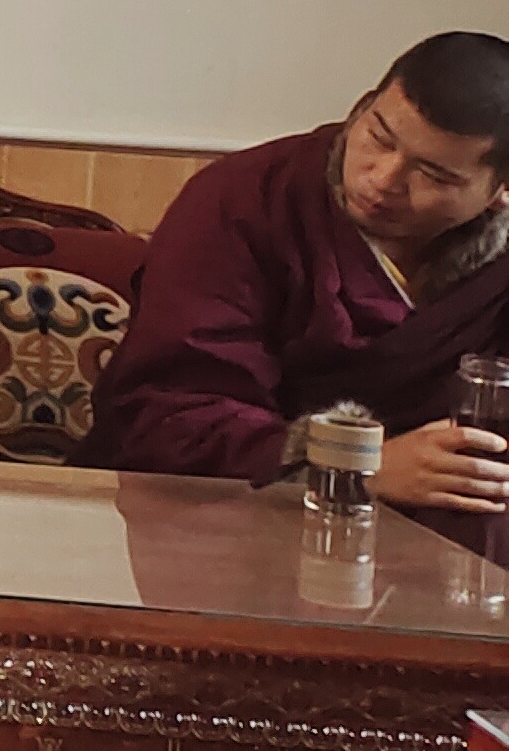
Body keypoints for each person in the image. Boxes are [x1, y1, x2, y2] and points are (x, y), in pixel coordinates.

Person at [84, 34, 509, 517]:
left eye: (433, 175)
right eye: (378, 137)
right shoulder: (244, 200)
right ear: (362, 106)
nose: (383, 179)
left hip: (444, 520)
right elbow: (173, 410)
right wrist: (358, 466)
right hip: (223, 511)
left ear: (500, 191)